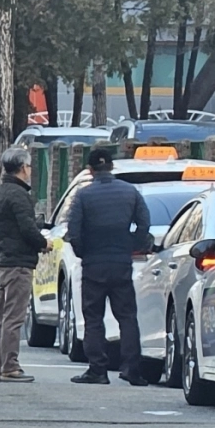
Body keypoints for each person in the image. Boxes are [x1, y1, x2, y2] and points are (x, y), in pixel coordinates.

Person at [66, 148, 152, 386]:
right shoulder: (130, 192)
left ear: (90, 170)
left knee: (93, 317)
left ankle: (98, 369)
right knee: (127, 316)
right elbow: (144, 224)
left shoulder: (84, 196)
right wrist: (131, 245)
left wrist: (84, 252)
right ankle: (132, 369)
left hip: (94, 263)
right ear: (112, 167)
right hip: (121, 263)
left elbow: (74, 231)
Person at [0, 147, 51, 383]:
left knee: (4, 317)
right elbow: (26, 229)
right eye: (28, 167)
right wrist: (43, 242)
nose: (30, 171)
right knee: (14, 317)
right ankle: (10, 366)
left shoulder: (3, 191)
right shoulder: (18, 194)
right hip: (18, 263)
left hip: (6, 260)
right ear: (23, 168)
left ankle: (4, 364)